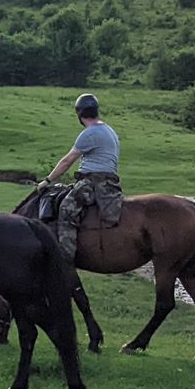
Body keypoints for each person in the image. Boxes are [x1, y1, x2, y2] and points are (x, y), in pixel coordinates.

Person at [45, 92, 123, 265]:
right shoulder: (109, 130)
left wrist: (48, 180)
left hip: (94, 182)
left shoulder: (90, 133)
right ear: (96, 111)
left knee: (66, 209)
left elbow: (67, 161)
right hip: (110, 181)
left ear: (79, 114)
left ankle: (65, 259)